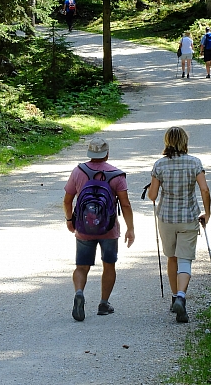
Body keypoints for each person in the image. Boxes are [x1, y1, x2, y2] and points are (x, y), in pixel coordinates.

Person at [63, 137, 135, 321]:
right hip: (109, 229)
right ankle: (104, 303)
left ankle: (79, 292)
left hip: (84, 228)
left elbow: (67, 200)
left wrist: (70, 219)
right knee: (108, 265)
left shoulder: (78, 171)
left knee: (82, 266)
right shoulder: (116, 175)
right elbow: (125, 205)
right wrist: (130, 229)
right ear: (107, 153)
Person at [147, 127, 211, 323]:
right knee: (185, 260)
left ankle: (174, 297)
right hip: (189, 217)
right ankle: (182, 296)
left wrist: (153, 186)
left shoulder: (160, 165)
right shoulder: (194, 163)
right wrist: (207, 213)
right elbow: (204, 189)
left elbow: (152, 196)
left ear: (167, 141)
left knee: (172, 257)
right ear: (184, 141)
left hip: (166, 219)